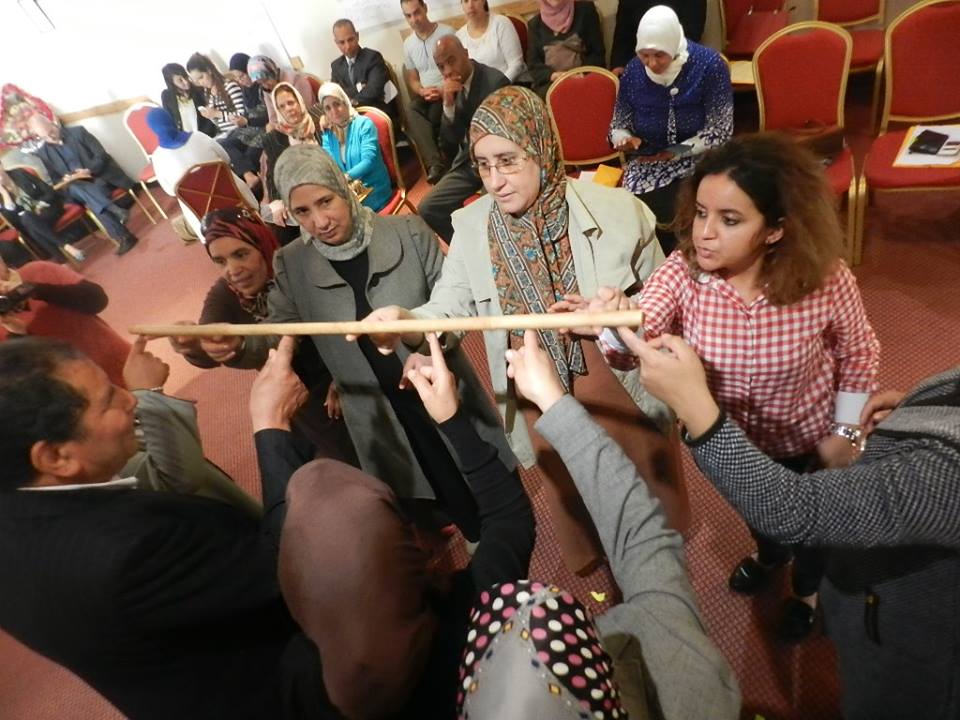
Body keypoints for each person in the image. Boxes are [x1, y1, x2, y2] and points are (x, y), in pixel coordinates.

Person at [279, 329, 740, 719]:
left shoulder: (308, 697)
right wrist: (547, 404)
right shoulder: (684, 682)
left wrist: (269, 427)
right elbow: (639, 539)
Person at [354, 86, 683, 577]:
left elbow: (668, 307)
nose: (495, 182)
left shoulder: (619, 212)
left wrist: (623, 310)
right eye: (483, 166)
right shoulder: (472, 228)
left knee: (644, 500)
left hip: (613, 383)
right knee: (578, 496)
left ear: (540, 147)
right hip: (533, 388)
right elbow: (449, 306)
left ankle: (658, 582)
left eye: (508, 162)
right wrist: (406, 321)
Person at [585, 133, 881, 641]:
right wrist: (612, 323)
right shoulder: (683, 273)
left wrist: (846, 433)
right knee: (758, 515)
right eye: (701, 213)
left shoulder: (826, 279)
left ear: (776, 229)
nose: (703, 234)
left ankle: (806, 590)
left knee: (813, 533)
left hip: (809, 442)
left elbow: (858, 351)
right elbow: (634, 339)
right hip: (728, 444)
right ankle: (770, 556)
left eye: (729, 220)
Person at [0, 334, 337, 719]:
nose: (129, 400)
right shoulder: (129, 551)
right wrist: (272, 424)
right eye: (108, 400)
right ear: (55, 456)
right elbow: (290, 567)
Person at [625, 333, 960, 720]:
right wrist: (916, 413)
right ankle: (772, 559)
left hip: (895, 634)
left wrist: (694, 406)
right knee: (765, 530)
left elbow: (795, 511)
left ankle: (806, 593)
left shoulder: (948, 475)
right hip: (757, 458)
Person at [209, 144, 515, 537]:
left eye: (326, 201)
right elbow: (280, 332)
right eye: (302, 212)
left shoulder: (408, 231)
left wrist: (426, 340)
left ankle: (505, 530)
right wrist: (236, 347)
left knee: (482, 467)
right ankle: (475, 536)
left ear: (344, 188)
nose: (319, 221)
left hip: (438, 383)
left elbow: (455, 307)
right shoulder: (292, 262)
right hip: (378, 406)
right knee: (436, 478)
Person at [168, 206, 356, 464]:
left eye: (241, 254)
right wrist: (193, 345)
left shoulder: (296, 269)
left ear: (263, 244)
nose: (232, 270)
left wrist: (345, 376)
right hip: (297, 395)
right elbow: (210, 339)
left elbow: (344, 321)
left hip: (338, 374)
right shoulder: (226, 293)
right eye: (220, 261)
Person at [609, 5, 733, 254]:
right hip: (648, 162)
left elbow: (721, 130)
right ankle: (659, 267)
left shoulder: (708, 65)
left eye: (659, 55)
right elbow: (617, 125)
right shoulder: (633, 72)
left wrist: (675, 152)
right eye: (645, 55)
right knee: (636, 218)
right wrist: (624, 139)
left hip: (701, 157)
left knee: (693, 209)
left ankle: (694, 262)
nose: (652, 63)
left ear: (673, 47)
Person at [418, 36, 509, 243]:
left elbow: (506, 140)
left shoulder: (495, 83)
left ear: (466, 54)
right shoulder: (453, 89)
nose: (448, 71)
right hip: (468, 163)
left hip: (496, 163)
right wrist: (448, 105)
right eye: (441, 66)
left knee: (493, 209)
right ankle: (468, 248)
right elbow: (448, 145)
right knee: (428, 207)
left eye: (452, 61)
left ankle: (497, 248)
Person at [0, 255, 131, 386]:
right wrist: (16, 332)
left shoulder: (38, 271)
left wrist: (34, 289)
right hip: (78, 390)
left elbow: (98, 300)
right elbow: (20, 380)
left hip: (119, 361)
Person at [28, 114, 138, 255]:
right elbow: (55, 180)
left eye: (51, 132)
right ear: (39, 136)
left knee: (93, 201)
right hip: (75, 188)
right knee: (77, 187)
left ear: (52, 123)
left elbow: (101, 155)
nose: (51, 137)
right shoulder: (44, 153)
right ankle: (116, 210)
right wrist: (65, 178)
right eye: (45, 137)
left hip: (99, 177)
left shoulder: (78, 132)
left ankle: (125, 236)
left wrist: (89, 170)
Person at [146, 107, 256, 240]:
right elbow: (226, 160)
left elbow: (171, 191)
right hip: (236, 198)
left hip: (205, 218)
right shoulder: (199, 136)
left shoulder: (158, 158)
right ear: (172, 120)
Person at [185, 52, 261, 190]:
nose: (201, 82)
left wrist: (217, 113)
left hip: (240, 129)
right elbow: (219, 124)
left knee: (221, 144)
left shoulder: (229, 86)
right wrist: (211, 116)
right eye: (197, 81)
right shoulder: (209, 93)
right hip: (226, 132)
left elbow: (241, 115)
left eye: (201, 77)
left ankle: (249, 176)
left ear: (209, 70)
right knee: (210, 149)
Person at [400, 0, 456, 184]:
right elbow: (412, 79)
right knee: (411, 109)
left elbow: (461, 69)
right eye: (408, 16)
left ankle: (441, 163)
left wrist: (443, 89)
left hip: (449, 89)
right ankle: (435, 164)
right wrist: (422, 91)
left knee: (432, 115)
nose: (414, 19)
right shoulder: (408, 44)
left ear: (425, 8)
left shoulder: (447, 33)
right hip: (426, 95)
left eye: (417, 12)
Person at [316, 81, 393, 213]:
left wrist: (344, 178)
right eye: (328, 108)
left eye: (337, 104)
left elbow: (369, 161)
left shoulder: (364, 124)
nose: (334, 111)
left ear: (345, 102)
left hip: (373, 190)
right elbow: (328, 165)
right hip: (349, 194)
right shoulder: (328, 133)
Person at [261, 82, 324, 228]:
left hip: (326, 179)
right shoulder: (273, 138)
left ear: (299, 102)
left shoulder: (318, 117)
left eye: (291, 103)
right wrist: (278, 201)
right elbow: (273, 175)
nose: (288, 109)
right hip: (299, 190)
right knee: (279, 222)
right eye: (282, 106)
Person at [0, 165, 86, 262]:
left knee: (32, 226)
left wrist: (40, 204)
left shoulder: (19, 173)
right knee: (29, 221)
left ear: (1, 165)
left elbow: (48, 190)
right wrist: (4, 192)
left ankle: (63, 259)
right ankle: (67, 247)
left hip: (49, 208)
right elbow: (11, 217)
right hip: (31, 220)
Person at [526, 0, 606, 98]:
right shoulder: (534, 25)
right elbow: (533, 64)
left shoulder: (585, 10)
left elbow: (597, 53)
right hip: (552, 84)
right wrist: (555, 76)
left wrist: (581, 74)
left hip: (585, 77)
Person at [330, 18, 399, 123]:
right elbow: (335, 95)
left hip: (378, 114)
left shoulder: (373, 58)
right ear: (336, 43)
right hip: (352, 119)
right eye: (342, 42)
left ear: (357, 36)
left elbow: (373, 91)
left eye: (350, 39)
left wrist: (350, 102)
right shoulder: (336, 66)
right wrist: (358, 87)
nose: (347, 46)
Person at [610, 0, 707, 72]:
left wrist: (659, 58)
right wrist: (619, 65)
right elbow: (622, 38)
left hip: (679, 61)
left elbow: (691, 34)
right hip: (639, 61)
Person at [455, 0, 526, 81]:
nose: (470, 5)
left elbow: (516, 64)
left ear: (483, 1)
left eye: (475, 0)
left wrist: (498, 85)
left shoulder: (501, 23)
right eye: (466, 1)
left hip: (510, 83)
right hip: (480, 88)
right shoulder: (459, 36)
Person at [246, 54, 317, 128]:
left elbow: (305, 109)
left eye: (266, 80)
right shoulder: (267, 90)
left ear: (272, 72)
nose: (265, 86)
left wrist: (285, 126)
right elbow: (273, 118)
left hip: (309, 121)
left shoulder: (295, 79)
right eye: (260, 83)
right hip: (287, 126)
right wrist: (276, 126)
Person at [159, 63, 218, 137]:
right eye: (180, 80)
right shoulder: (167, 96)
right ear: (172, 83)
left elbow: (210, 111)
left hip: (207, 135)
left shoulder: (198, 89)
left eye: (185, 76)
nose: (186, 81)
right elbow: (170, 120)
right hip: (185, 138)